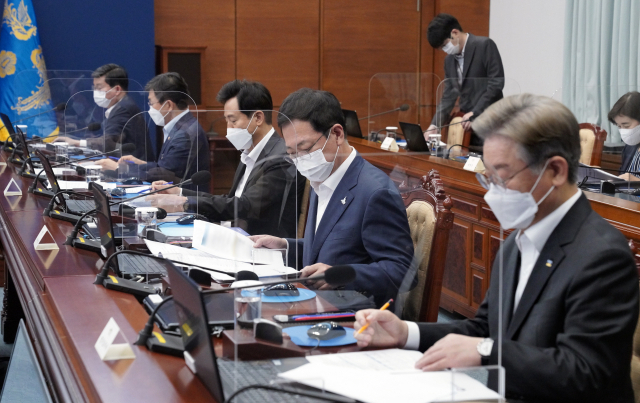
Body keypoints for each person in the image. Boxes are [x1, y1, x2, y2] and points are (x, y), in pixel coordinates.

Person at [355, 94, 639, 402]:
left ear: (556, 170)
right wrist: (407, 333)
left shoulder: (601, 255)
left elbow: (586, 373)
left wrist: (484, 351)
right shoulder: (518, 241)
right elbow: (484, 327)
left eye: (502, 176)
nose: (491, 192)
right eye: (487, 176)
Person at [249, 88, 414, 307]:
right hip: (314, 303)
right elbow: (331, 249)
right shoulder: (325, 176)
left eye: (305, 148)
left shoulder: (375, 192)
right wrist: (284, 246)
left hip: (353, 317)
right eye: (291, 152)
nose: (299, 159)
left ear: (337, 134)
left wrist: (341, 275)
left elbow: (402, 271)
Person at [146, 79, 305, 238]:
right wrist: (178, 192)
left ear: (257, 118)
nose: (229, 128)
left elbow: (245, 206)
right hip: (239, 239)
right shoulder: (250, 153)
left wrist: (183, 203)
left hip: (263, 249)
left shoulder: (280, 158)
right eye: (227, 120)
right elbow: (230, 200)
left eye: (233, 120)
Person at [97, 72, 210, 192]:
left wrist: (119, 168)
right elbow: (164, 167)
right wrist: (140, 163)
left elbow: (165, 174)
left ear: (168, 105)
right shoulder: (181, 126)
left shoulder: (184, 135)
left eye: (151, 103)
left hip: (185, 205)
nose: (150, 108)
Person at [424, 13, 504, 146]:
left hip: (490, 123)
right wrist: (435, 125)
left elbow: (496, 83)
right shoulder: (449, 60)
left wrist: (475, 113)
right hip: (466, 127)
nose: (445, 50)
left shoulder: (484, 45)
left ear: (455, 33)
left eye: (445, 45)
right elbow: (449, 95)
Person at [57, 64, 154, 162]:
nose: (95, 92)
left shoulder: (123, 108)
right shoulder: (123, 105)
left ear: (117, 89)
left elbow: (108, 142)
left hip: (135, 170)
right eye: (94, 88)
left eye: (99, 88)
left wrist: (76, 143)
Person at [608, 91, 640, 181]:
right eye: (619, 126)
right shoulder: (630, 147)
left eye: (626, 126)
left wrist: (637, 181)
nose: (623, 130)